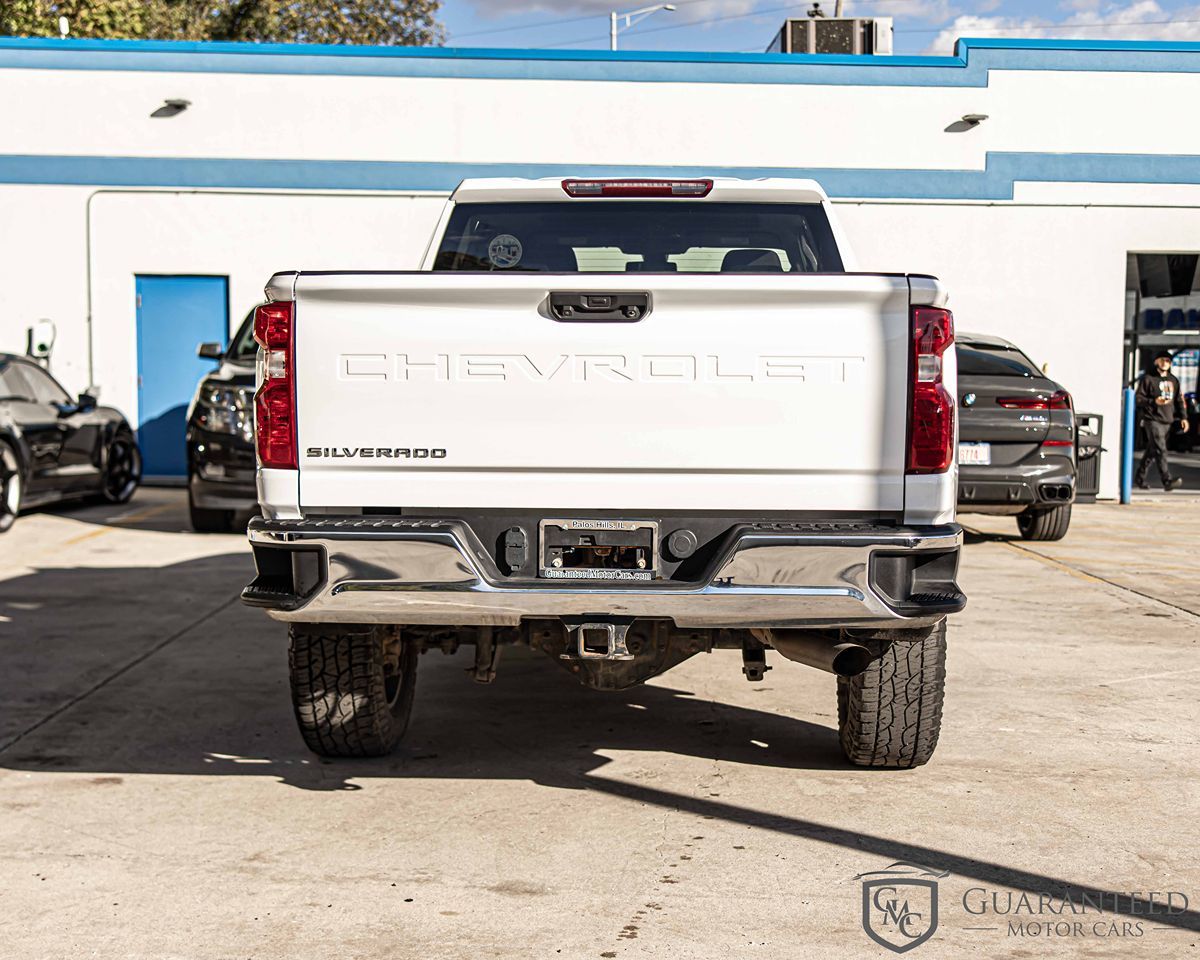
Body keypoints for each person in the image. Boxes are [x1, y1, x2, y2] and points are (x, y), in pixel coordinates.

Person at [1135, 351, 1189, 491]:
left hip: (1167, 421)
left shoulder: (1173, 380)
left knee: (1152, 451)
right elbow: (1138, 399)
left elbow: (1179, 400)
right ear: (1156, 362)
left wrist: (1183, 417)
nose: (1165, 363)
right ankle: (1167, 481)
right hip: (1152, 419)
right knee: (1161, 450)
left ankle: (1139, 478)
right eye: (1163, 360)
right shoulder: (1148, 379)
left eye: (1168, 361)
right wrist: (1154, 401)